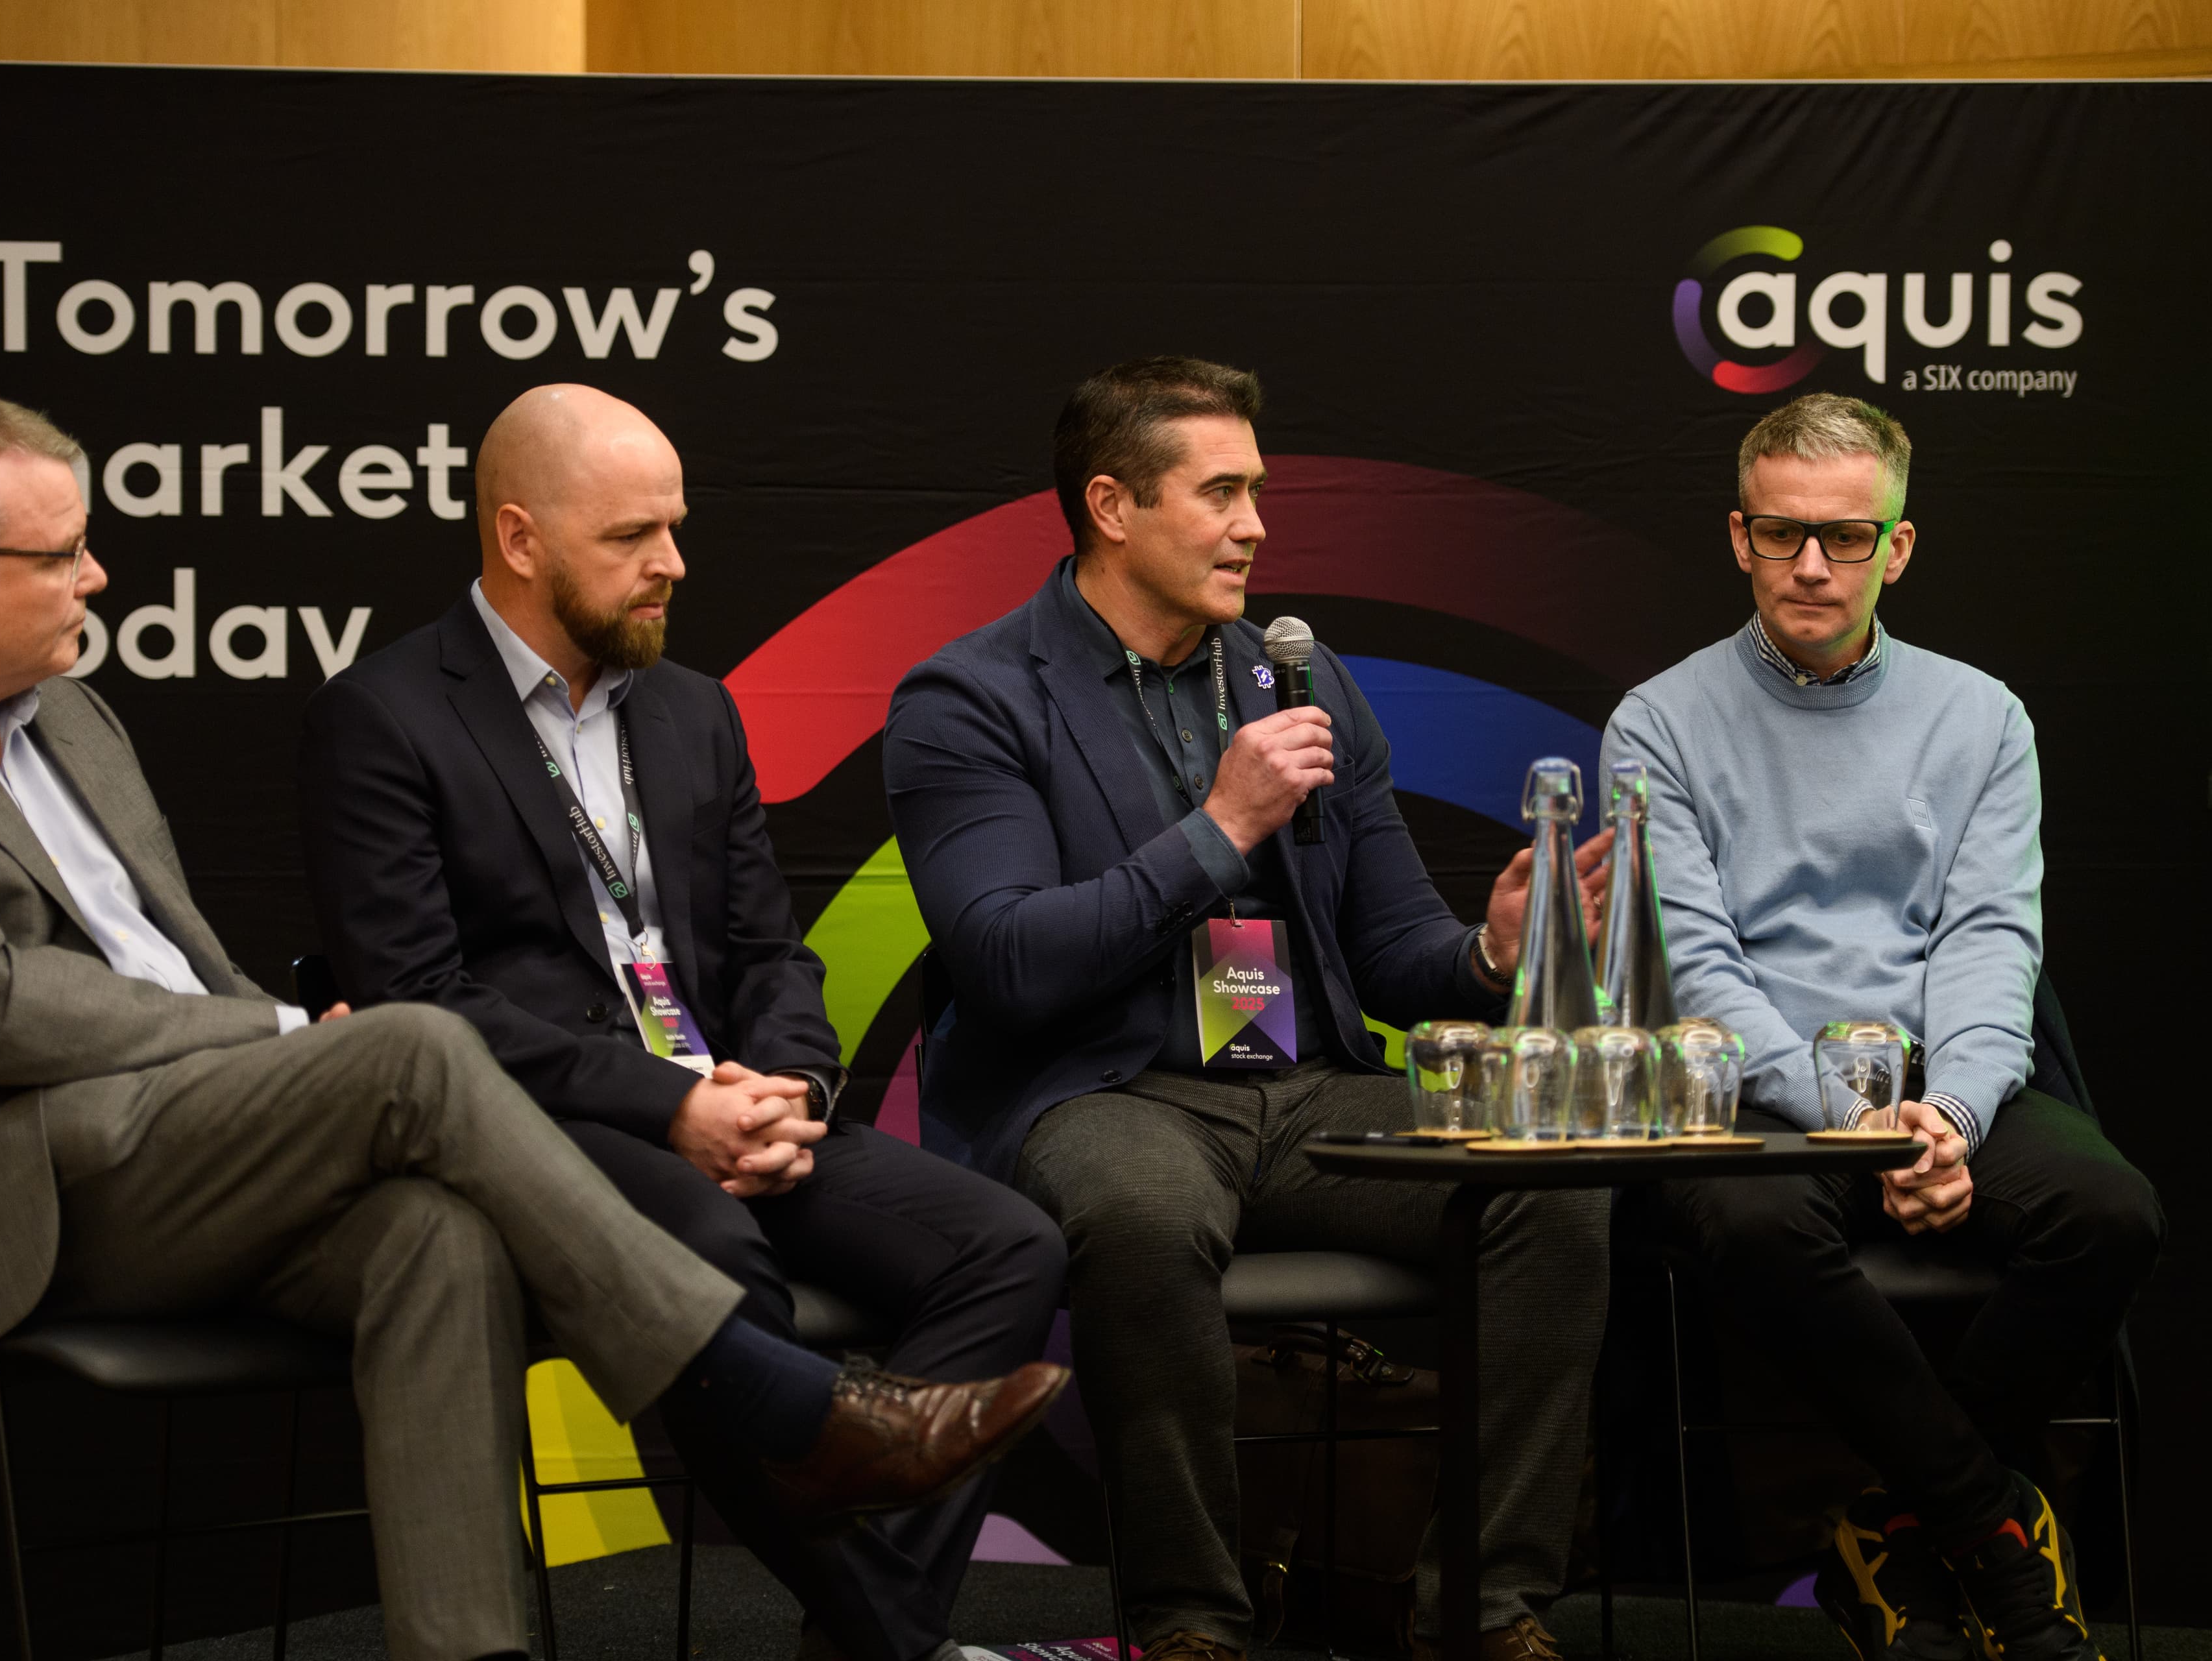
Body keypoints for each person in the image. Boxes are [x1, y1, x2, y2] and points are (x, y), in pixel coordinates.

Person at [0, 390, 1065, 1661]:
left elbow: (169, 962)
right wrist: (286, 1037)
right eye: (64, 552)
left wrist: (784, 1084)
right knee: (414, 1043)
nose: (97, 576)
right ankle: (785, 1405)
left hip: (174, 1148)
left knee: (440, 1235)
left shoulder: (68, 716)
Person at [296, 383, 1070, 1661]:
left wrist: (791, 1089)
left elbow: (768, 949)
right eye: (631, 536)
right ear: (519, 537)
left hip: (737, 1103)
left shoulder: (693, 709)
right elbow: (418, 1001)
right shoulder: (382, 716)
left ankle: (866, 1627)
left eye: (675, 526)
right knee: (715, 1254)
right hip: (549, 1125)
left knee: (1008, 1247)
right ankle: (896, 1642)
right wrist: (673, 1107)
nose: (673, 562)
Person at [884, 357, 1614, 1661]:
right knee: (1142, 1212)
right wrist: (1221, 828)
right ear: (1112, 506)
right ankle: (1193, 1623)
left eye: (1257, 491)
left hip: (1307, 1090)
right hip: (1106, 1091)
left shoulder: (1300, 675)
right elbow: (1008, 960)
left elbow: (1392, 952)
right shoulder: (973, 698)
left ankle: (1487, 1604)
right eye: (1219, 493)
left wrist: (1492, 956)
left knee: (1548, 1182)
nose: (1256, 525)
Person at [1599, 392, 2163, 1661]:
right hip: (1759, 1093)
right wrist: (1858, 1121)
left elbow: (1989, 943)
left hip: (1938, 1079)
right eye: (1783, 532)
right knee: (1747, 1226)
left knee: (2113, 1213)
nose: (1812, 564)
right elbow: (1697, 968)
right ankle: (1990, 1533)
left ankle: (1893, 1530)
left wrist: (1949, 1114)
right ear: (1739, 537)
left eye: (1846, 536)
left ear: (1895, 548)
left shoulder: (1982, 715)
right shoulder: (1658, 721)